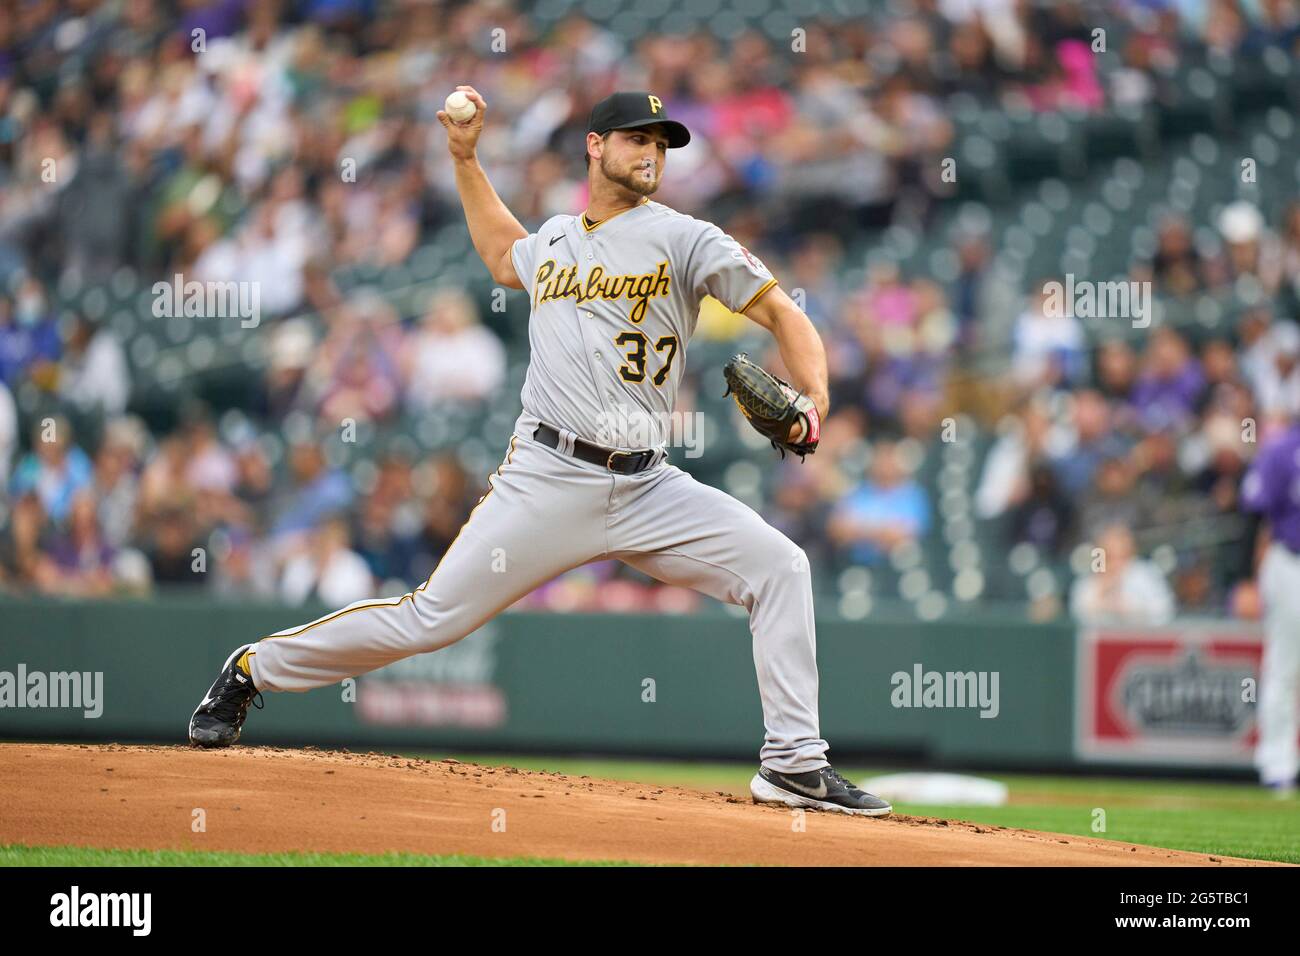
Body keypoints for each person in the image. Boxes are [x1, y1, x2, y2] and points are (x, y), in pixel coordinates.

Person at [188, 89, 891, 817]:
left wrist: (816, 399)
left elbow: (782, 310)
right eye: (634, 138)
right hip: (548, 477)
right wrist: (464, 159)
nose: (650, 152)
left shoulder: (686, 237)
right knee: (429, 619)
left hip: (649, 486)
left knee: (780, 565)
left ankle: (794, 764)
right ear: (594, 146)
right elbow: (500, 253)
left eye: (660, 142)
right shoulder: (554, 239)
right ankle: (252, 668)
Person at [1240, 418, 1300, 794]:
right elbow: (1253, 510)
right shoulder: (1284, 448)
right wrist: (1248, 574)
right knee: (1285, 664)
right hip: (1291, 560)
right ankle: (1277, 763)